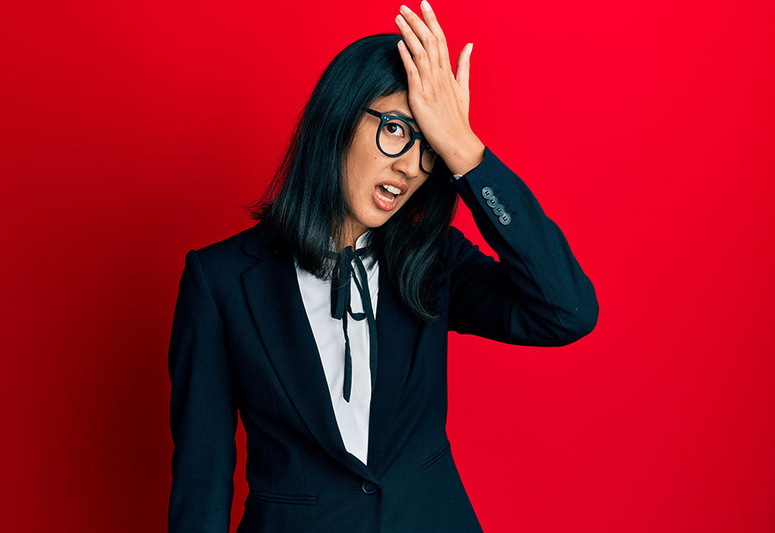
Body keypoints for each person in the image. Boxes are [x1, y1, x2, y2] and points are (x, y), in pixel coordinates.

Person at [167, 2, 598, 532]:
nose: (412, 165)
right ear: (339, 118)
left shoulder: (433, 262)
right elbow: (201, 479)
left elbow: (566, 311)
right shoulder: (221, 282)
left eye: (429, 147)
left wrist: (464, 149)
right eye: (396, 129)